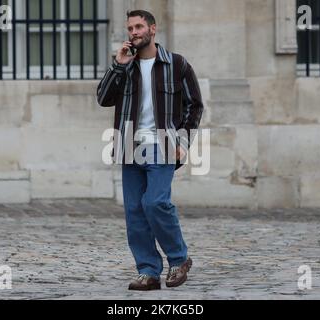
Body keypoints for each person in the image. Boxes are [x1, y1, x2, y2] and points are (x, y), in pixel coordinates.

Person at [97, 10, 204, 291]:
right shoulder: (124, 65)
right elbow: (103, 98)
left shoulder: (176, 64)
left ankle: (179, 259)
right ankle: (148, 271)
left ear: (152, 29)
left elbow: (195, 106)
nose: (134, 32)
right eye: (130, 28)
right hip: (130, 144)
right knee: (134, 210)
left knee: (155, 203)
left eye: (139, 26)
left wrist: (184, 140)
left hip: (163, 145)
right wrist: (118, 65)